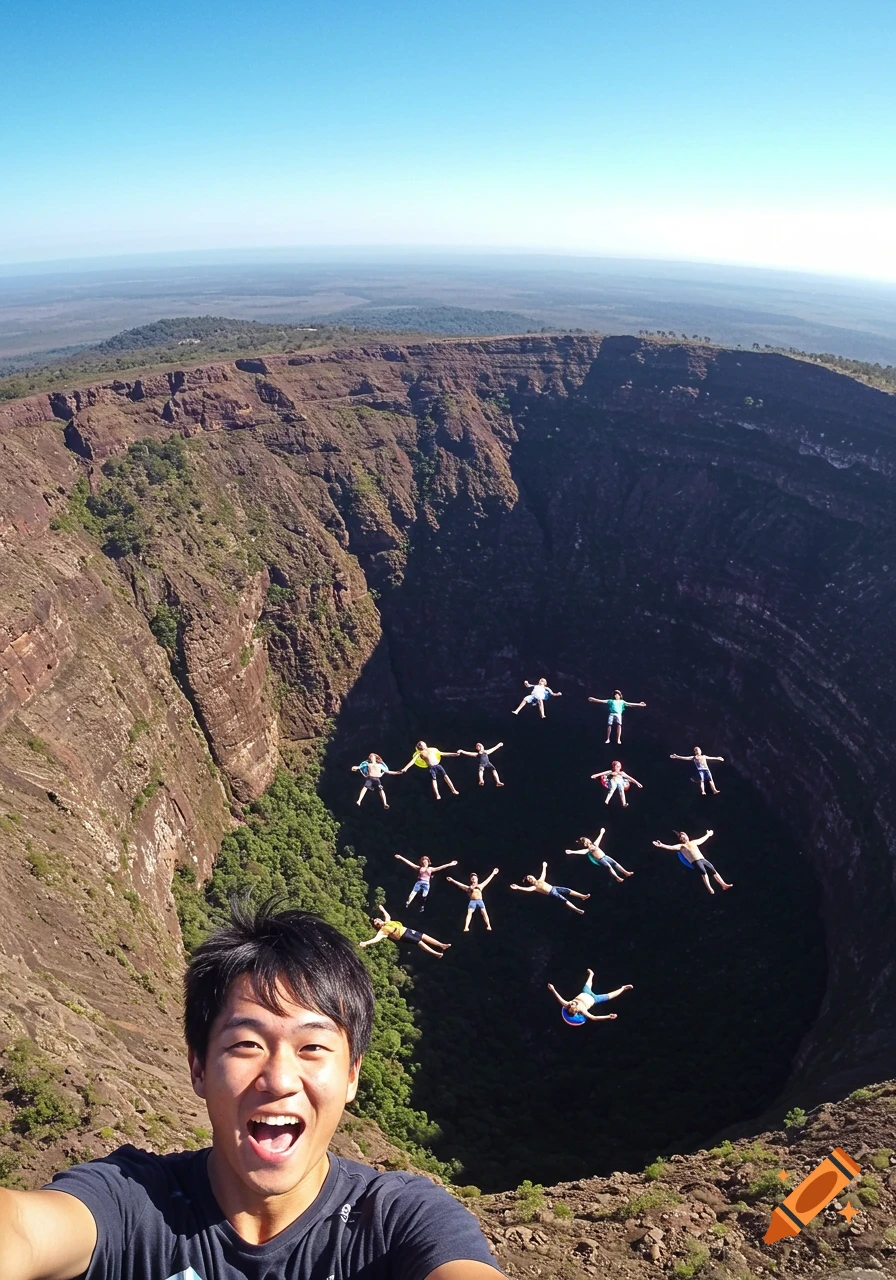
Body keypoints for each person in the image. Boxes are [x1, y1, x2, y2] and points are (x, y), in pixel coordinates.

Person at [0, 900, 500, 1280]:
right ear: (198, 1067)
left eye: (312, 1048)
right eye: (246, 1044)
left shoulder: (396, 1223)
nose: (279, 1080)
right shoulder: (135, 1204)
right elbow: (22, 1228)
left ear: (351, 1075)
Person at [652, 830, 734, 895]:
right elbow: (670, 847)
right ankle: (709, 888)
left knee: (713, 871)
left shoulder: (693, 842)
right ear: (681, 839)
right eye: (682, 837)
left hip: (703, 859)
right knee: (704, 872)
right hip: (695, 861)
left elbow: (702, 839)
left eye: (685, 835)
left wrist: (708, 834)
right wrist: (661, 845)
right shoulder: (681, 846)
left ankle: (723, 885)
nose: (684, 837)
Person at [361, 904, 452, 957]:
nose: (379, 922)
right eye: (377, 923)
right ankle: (436, 954)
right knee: (419, 942)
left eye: (378, 920)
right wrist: (366, 943)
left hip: (407, 930)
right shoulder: (382, 931)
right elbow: (376, 939)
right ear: (377, 926)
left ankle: (441, 945)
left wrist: (382, 909)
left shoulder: (387, 922)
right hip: (403, 936)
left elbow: (387, 915)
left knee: (423, 936)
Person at [547, 969, 634, 1024]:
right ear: (577, 1011)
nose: (574, 1005)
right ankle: (623, 988)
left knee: (588, 984)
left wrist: (553, 989)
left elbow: (559, 998)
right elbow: (594, 1018)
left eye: (573, 1006)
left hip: (585, 992)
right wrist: (608, 1016)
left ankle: (591, 975)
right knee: (610, 996)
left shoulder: (567, 1004)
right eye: (575, 1009)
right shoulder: (582, 1010)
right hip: (595, 999)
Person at [509, 862, 591, 914]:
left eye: (531, 877)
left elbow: (543, 873)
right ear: (529, 882)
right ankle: (577, 910)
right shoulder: (534, 887)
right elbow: (527, 889)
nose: (531, 878)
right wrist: (518, 887)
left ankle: (582, 896)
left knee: (568, 890)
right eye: (529, 879)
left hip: (554, 888)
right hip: (552, 893)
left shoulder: (540, 880)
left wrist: (544, 866)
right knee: (565, 900)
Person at [393, 853, 458, 912]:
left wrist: (450, 864)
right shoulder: (419, 868)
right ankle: (408, 903)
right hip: (419, 882)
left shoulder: (430, 869)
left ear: (428, 862)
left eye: (425, 861)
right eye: (423, 861)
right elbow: (410, 863)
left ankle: (422, 906)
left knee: (424, 895)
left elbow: (440, 867)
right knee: (413, 893)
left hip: (426, 884)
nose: (424, 862)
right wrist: (401, 857)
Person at [565, 829, 634, 882]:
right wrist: (572, 852)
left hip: (605, 856)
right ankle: (617, 878)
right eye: (587, 839)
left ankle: (626, 873)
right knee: (609, 867)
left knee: (615, 863)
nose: (589, 839)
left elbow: (599, 839)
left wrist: (601, 833)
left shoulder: (594, 845)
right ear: (585, 842)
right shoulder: (589, 849)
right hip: (600, 859)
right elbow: (583, 852)